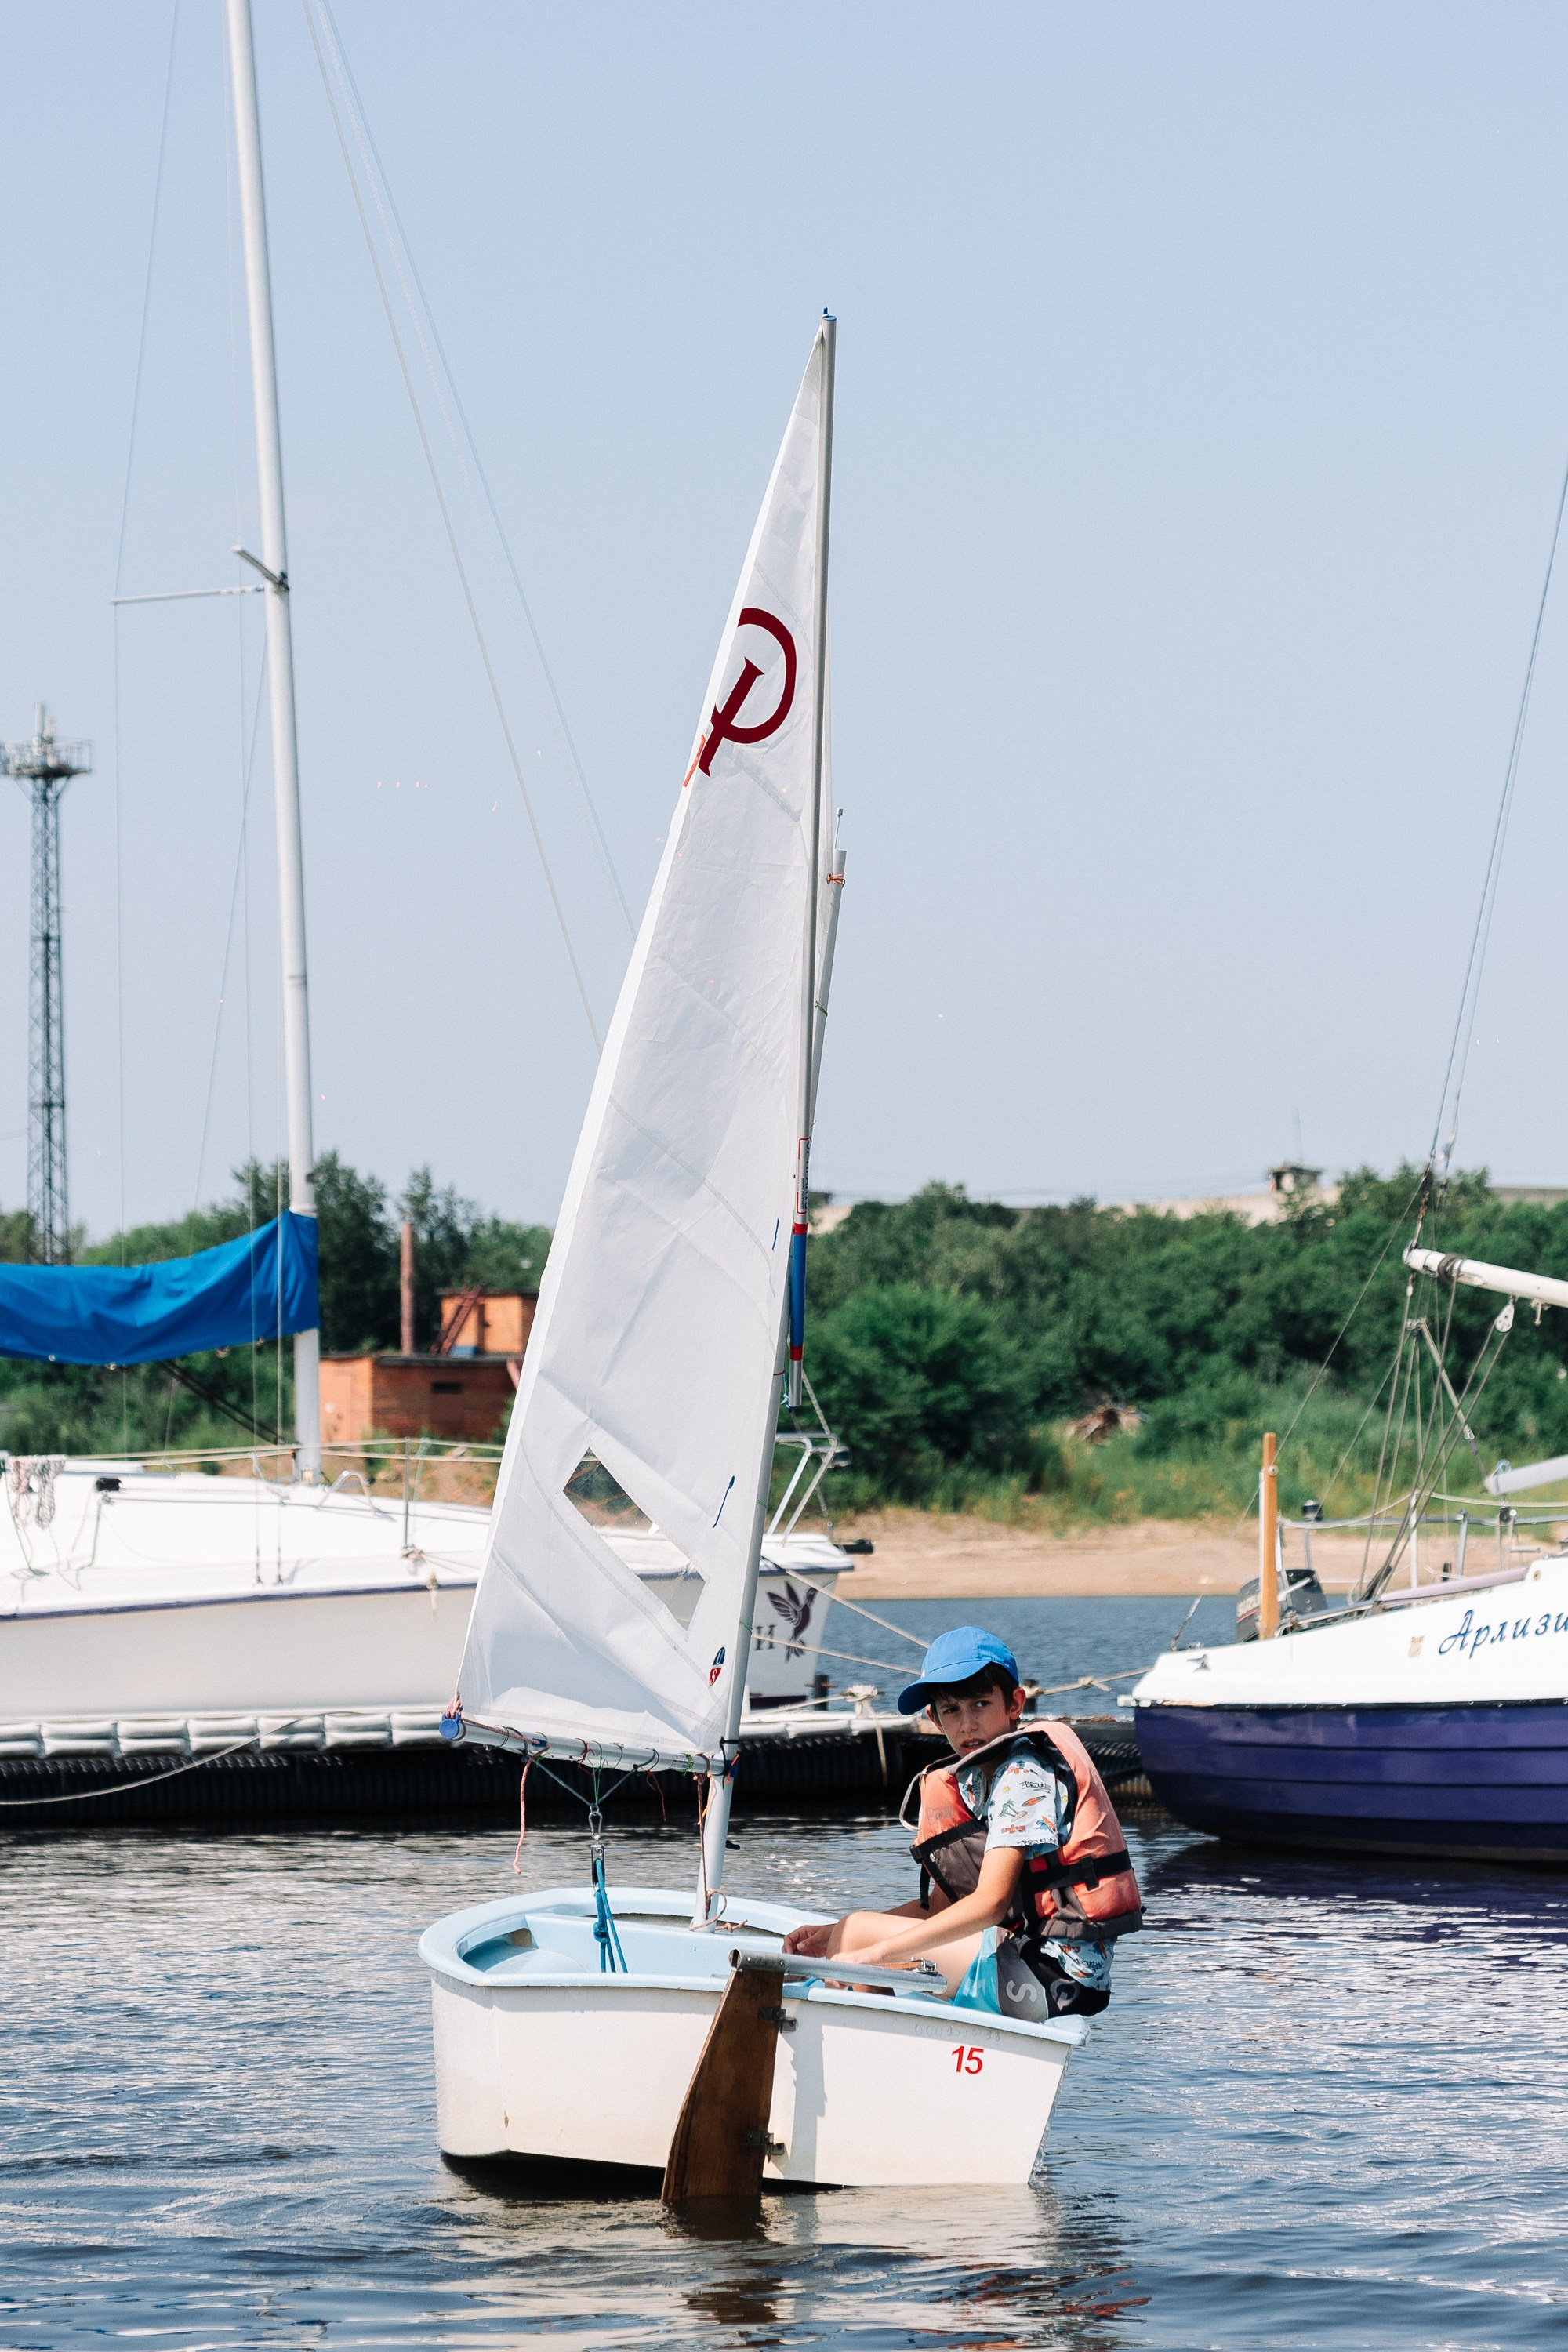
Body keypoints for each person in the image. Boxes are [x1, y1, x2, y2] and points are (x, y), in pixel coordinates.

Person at [782, 1627, 1142, 2021]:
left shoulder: (1023, 1776)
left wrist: (874, 1953)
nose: (967, 1723)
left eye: (981, 1704)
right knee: (852, 1929)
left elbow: (989, 1905)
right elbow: (942, 1908)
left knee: (860, 1937)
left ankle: (882, 2064)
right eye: (952, 1710)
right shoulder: (976, 1778)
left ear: (1014, 1704)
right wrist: (832, 1933)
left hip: (1057, 1979)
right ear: (934, 1718)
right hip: (1031, 1961)